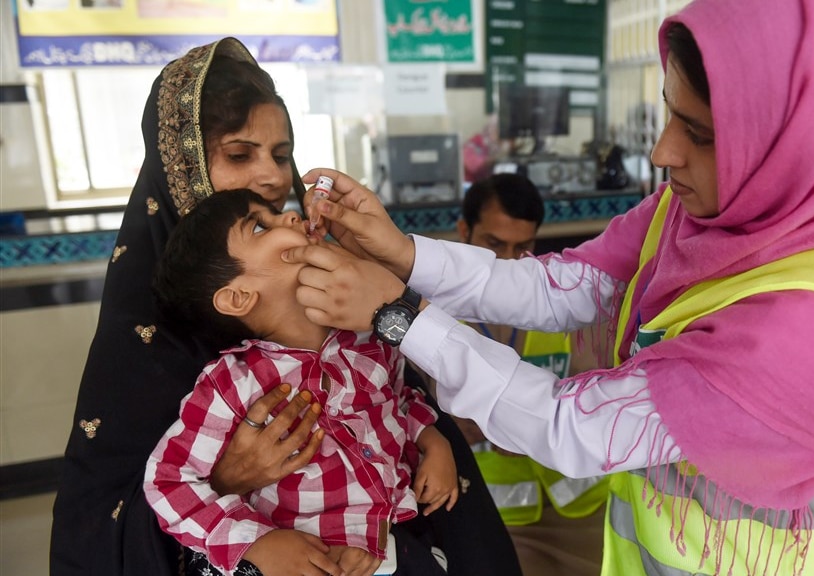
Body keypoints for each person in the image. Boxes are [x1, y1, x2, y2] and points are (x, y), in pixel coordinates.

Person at [286, 0, 814, 574]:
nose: (663, 152)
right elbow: (560, 286)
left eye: (699, 134)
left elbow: (569, 426)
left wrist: (397, 313)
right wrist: (402, 253)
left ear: (796, 146)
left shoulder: (800, 331)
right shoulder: (714, 213)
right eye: (672, 111)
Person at [50, 37, 520, 576]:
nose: (274, 178)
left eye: (281, 154)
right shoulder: (143, 336)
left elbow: (394, 400)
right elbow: (106, 521)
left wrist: (427, 433)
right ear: (181, 166)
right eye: (238, 154)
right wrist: (228, 479)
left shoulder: (326, 290)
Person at [146, 189, 457, 576]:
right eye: (261, 225)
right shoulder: (233, 385)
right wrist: (258, 543)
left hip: (398, 542)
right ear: (239, 296)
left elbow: (399, 402)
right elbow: (168, 481)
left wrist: (433, 442)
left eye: (278, 212)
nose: (291, 217)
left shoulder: (367, 337)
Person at [453, 174, 607, 576]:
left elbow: (603, 393)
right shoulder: (432, 317)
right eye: (493, 244)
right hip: (500, 516)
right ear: (463, 231)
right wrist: (458, 426)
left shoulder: (562, 301)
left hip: (584, 505)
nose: (507, 261)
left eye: (521, 247)